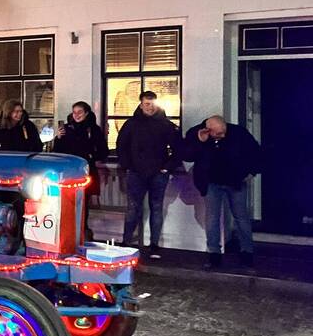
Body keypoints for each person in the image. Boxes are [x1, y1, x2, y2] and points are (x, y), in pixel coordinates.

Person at [180, 115, 261, 269]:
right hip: (211, 182)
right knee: (212, 218)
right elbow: (187, 155)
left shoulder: (237, 132)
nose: (223, 136)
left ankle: (247, 252)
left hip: (235, 180)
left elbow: (255, 150)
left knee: (241, 216)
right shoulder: (196, 133)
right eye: (218, 134)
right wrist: (199, 141)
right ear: (208, 130)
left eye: (224, 132)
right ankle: (214, 254)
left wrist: (252, 171)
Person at [116, 91, 182, 256]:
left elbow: (178, 149)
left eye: (152, 104)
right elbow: (121, 146)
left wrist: (168, 166)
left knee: (156, 208)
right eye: (147, 104)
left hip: (158, 173)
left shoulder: (166, 125)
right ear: (140, 104)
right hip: (137, 172)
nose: (150, 107)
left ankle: (153, 244)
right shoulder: (132, 124)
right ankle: (126, 242)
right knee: (133, 208)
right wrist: (128, 165)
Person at [54, 101, 109, 235]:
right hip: (68, 171)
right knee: (67, 201)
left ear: (86, 113)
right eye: (74, 112)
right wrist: (59, 138)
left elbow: (102, 150)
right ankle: (67, 229)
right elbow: (57, 151)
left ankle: (82, 229)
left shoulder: (93, 129)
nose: (77, 115)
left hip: (86, 170)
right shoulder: (67, 128)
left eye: (80, 112)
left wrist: (91, 156)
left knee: (83, 201)